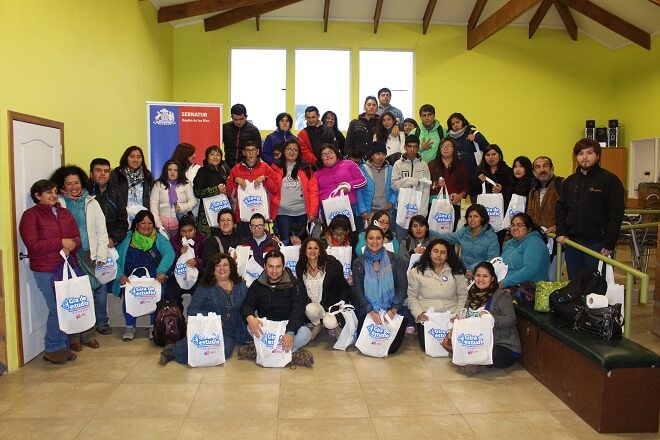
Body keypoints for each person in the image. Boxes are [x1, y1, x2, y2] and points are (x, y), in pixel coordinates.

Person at [19, 179, 81, 364]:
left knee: (66, 307)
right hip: (45, 269)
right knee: (57, 308)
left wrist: (71, 246)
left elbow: (76, 237)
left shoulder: (64, 213)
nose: (53, 195)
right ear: (38, 196)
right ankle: (53, 347)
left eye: (55, 191)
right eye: (48, 193)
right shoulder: (31, 216)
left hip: (66, 266)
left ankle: (63, 346)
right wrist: (61, 242)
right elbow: (33, 245)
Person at [51, 165, 108, 352]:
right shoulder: (57, 204)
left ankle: (88, 335)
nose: (74, 187)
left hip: (88, 254)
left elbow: (101, 230)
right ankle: (73, 337)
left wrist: (100, 255)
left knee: (88, 295)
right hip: (68, 256)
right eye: (69, 184)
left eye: (76, 183)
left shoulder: (92, 202)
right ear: (62, 186)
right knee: (72, 295)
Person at [159, 253, 251, 365]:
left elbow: (248, 306)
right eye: (217, 265)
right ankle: (173, 351)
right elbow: (192, 309)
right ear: (213, 270)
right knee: (201, 346)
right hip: (208, 328)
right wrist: (213, 319)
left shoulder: (240, 285)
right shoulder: (205, 286)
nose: (222, 268)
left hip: (229, 331)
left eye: (225, 265)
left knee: (223, 352)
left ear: (231, 268)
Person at [555, 138, 625, 279]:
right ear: (576, 157)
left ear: (598, 156)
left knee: (595, 284)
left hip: (597, 244)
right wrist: (561, 232)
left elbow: (616, 215)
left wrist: (609, 243)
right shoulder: (569, 182)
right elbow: (561, 208)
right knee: (575, 283)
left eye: (589, 153)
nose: (585, 157)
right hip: (572, 242)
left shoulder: (610, 180)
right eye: (581, 153)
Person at [113, 210, 175, 342]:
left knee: (156, 296)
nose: (146, 226)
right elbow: (115, 258)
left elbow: (169, 253)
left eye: (150, 223)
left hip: (154, 278)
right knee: (128, 296)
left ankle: (154, 326)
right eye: (143, 222)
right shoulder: (127, 239)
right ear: (136, 225)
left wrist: (161, 271)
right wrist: (120, 275)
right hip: (131, 279)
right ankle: (130, 327)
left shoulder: (159, 238)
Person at [351, 226, 408, 355]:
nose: (374, 241)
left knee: (391, 349)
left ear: (383, 240)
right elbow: (358, 291)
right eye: (371, 238)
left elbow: (402, 286)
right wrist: (371, 311)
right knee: (365, 346)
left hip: (392, 307)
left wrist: (393, 310)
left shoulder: (395, 259)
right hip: (369, 309)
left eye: (378, 238)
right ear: (366, 240)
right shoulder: (358, 263)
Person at [241, 250, 312, 353]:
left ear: (283, 267)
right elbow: (247, 305)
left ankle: (270, 349)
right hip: (267, 329)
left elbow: (298, 310)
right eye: (270, 266)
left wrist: (290, 332)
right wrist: (250, 317)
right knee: (250, 326)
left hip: (287, 327)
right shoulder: (257, 284)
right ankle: (284, 350)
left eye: (278, 267)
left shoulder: (295, 284)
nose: (274, 271)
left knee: (306, 333)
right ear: (265, 267)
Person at [88, 158, 128, 335]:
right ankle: (88, 323)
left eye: (106, 170)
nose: (102, 174)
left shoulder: (115, 194)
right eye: (98, 170)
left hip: (109, 245)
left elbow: (122, 221)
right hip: (88, 248)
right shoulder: (84, 194)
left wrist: (114, 239)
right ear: (91, 173)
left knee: (102, 284)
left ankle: (102, 322)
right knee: (91, 286)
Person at [459, 261, 521, 374]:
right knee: (452, 342)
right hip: (478, 340)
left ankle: (475, 361)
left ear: (492, 278)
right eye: (478, 275)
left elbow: (511, 320)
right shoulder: (471, 294)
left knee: (492, 354)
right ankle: (476, 360)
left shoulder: (502, 296)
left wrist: (490, 318)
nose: (480, 279)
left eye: (485, 276)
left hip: (502, 344)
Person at [407, 239, 468, 350]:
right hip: (428, 318)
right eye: (435, 251)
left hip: (451, 316)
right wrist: (419, 313)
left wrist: (457, 315)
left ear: (447, 255)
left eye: (443, 252)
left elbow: (463, 295)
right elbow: (412, 297)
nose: (438, 255)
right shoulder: (416, 272)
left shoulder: (456, 271)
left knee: (454, 346)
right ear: (429, 253)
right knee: (428, 347)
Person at [296, 238, 351, 339]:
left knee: (330, 323)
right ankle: (317, 325)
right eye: (309, 248)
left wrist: (342, 305)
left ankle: (335, 326)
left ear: (320, 250)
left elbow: (343, 286)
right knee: (310, 309)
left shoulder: (332, 264)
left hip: (332, 305)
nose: (312, 251)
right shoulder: (300, 266)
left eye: (316, 248)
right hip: (314, 305)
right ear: (304, 250)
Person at [271, 138, 319, 243]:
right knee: (286, 242)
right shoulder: (275, 168)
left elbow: (313, 191)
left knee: (302, 244)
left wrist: (312, 212)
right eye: (289, 149)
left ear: (299, 153)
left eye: (295, 150)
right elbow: (270, 189)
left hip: (301, 212)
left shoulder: (306, 168)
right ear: (284, 151)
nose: (291, 152)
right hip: (282, 213)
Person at [226, 140, 279, 235]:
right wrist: (235, 181)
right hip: (242, 217)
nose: (251, 153)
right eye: (248, 150)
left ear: (258, 152)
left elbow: (275, 189)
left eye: (253, 150)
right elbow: (229, 193)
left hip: (261, 217)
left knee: (263, 246)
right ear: (243, 152)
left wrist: (265, 179)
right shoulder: (235, 170)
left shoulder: (266, 168)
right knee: (243, 246)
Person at [438, 204, 500, 279]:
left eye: (476, 216)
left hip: (481, 275)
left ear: (482, 218)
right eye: (470, 216)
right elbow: (448, 238)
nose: (472, 219)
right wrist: (428, 232)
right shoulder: (464, 231)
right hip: (462, 272)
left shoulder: (491, 237)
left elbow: (492, 259)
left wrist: (473, 269)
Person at [469, 144, 514, 246]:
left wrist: (502, 189)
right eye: (488, 155)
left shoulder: (508, 171)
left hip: (501, 213)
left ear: (500, 156)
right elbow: (472, 192)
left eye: (494, 154)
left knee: (498, 243)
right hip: (483, 215)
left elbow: (512, 192)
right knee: (482, 244)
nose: (491, 157)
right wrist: (477, 181)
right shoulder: (480, 171)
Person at [528, 156, 564, 281]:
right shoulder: (533, 191)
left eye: (545, 165)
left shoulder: (562, 185)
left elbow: (571, 211)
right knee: (540, 278)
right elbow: (530, 215)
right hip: (539, 242)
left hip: (558, 242)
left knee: (552, 278)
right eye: (538, 167)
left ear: (552, 168)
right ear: (534, 172)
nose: (542, 169)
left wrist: (559, 227)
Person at [315, 143, 367, 230]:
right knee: (331, 237)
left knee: (350, 235)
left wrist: (349, 186)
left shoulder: (349, 164)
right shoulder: (317, 173)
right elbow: (315, 194)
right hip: (328, 210)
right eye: (324, 154)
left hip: (348, 207)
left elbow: (363, 181)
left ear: (336, 153)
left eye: (330, 152)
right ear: (321, 158)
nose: (328, 156)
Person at [391, 135, 431, 237]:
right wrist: (409, 180)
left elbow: (426, 189)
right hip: (401, 208)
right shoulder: (398, 164)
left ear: (418, 148)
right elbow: (394, 185)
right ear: (405, 147)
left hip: (418, 209)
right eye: (409, 146)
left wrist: (423, 212)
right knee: (401, 239)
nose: (412, 150)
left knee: (417, 240)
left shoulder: (424, 165)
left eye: (415, 147)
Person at [428, 137, 469, 229]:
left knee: (450, 233)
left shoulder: (460, 165)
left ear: (454, 149)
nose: (445, 148)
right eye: (443, 146)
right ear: (439, 149)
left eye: (449, 146)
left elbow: (465, 186)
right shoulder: (431, 165)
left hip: (453, 204)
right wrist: (435, 184)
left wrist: (460, 196)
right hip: (435, 204)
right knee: (434, 232)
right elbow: (425, 185)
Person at [499, 213, 549, 288]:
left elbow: (530, 269)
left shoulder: (535, 243)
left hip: (528, 290)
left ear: (529, 229)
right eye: (513, 225)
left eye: (519, 225)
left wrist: (503, 283)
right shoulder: (509, 243)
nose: (515, 228)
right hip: (508, 284)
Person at [164, 216, 205, 306]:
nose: (187, 234)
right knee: (170, 295)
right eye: (184, 231)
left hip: (197, 275)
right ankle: (174, 316)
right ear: (179, 231)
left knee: (201, 295)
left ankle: (197, 316)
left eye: (190, 230)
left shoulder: (201, 239)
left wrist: (197, 261)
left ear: (195, 229)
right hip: (178, 275)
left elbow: (207, 260)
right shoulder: (174, 241)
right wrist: (179, 252)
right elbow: (168, 263)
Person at [150, 159, 196, 237]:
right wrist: (159, 226)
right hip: (161, 224)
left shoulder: (186, 184)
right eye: (170, 170)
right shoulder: (158, 184)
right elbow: (153, 205)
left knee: (178, 247)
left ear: (179, 172)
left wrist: (181, 207)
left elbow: (193, 201)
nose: (172, 172)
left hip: (180, 224)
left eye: (176, 170)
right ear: (165, 171)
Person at [110, 145, 153, 224]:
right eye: (132, 157)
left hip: (143, 217)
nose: (135, 160)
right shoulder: (116, 174)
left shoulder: (147, 174)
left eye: (139, 157)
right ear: (126, 158)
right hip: (123, 217)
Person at [446, 112, 489, 189]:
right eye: (453, 124)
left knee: (476, 199)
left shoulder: (474, 133)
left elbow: (488, 149)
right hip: (457, 177)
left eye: (458, 122)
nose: (456, 125)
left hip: (476, 175)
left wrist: (476, 139)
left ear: (463, 121)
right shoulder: (449, 139)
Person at [193, 145, 229, 237]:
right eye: (212, 154)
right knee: (208, 243)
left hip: (222, 210)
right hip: (206, 214)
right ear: (207, 157)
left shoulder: (224, 170)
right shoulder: (202, 171)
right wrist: (216, 189)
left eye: (218, 155)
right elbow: (197, 192)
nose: (215, 157)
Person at [357, 142, 397, 223]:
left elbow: (395, 187)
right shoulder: (362, 169)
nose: (381, 157)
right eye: (378, 153)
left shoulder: (390, 169)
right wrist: (363, 210)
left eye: (383, 154)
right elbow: (358, 192)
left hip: (386, 211)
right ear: (372, 155)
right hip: (369, 212)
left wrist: (392, 202)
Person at [222, 103, 262, 168]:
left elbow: (258, 152)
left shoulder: (253, 131)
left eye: (241, 119)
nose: (238, 122)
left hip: (246, 167)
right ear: (231, 117)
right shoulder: (225, 128)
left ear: (246, 117)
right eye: (235, 119)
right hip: (228, 166)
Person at [171, 142, 202, 217]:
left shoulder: (198, 169)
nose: (195, 156)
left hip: (194, 213)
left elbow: (199, 193)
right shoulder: (172, 169)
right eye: (192, 154)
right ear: (184, 155)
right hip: (173, 213)